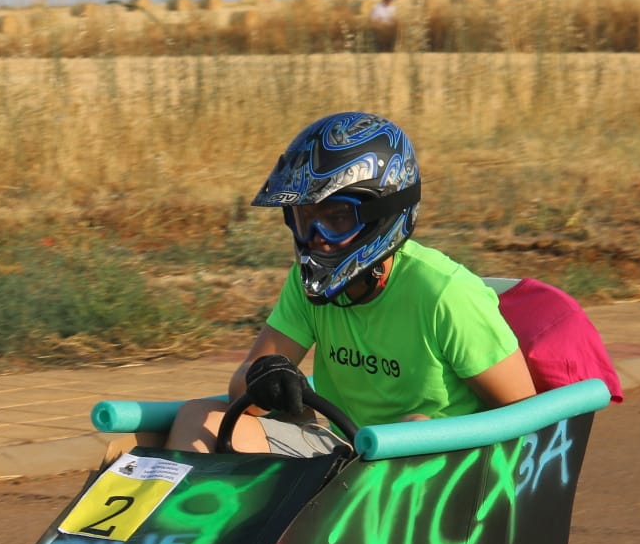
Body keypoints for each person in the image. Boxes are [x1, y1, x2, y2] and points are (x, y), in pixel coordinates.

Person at [164, 111, 534, 455]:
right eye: (305, 218)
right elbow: (239, 392)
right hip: (349, 455)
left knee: (411, 430)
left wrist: (419, 438)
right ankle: (181, 524)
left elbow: (526, 417)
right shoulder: (306, 285)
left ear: (381, 215)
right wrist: (265, 379)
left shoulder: (445, 293)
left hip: (438, 470)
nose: (316, 237)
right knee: (198, 416)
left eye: (337, 218)